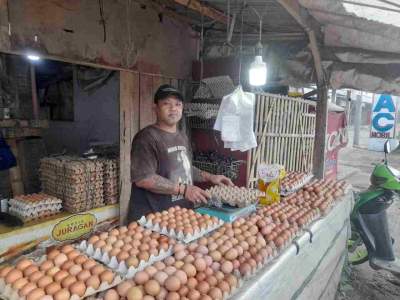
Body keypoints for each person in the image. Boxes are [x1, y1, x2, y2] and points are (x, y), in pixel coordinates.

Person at [128, 84, 233, 221]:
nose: (173, 109)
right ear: (155, 108)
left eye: (178, 104)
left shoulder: (182, 136)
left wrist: (210, 176)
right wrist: (184, 190)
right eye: (167, 104)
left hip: (179, 216)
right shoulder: (147, 138)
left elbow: (184, 168)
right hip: (152, 219)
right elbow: (143, 179)